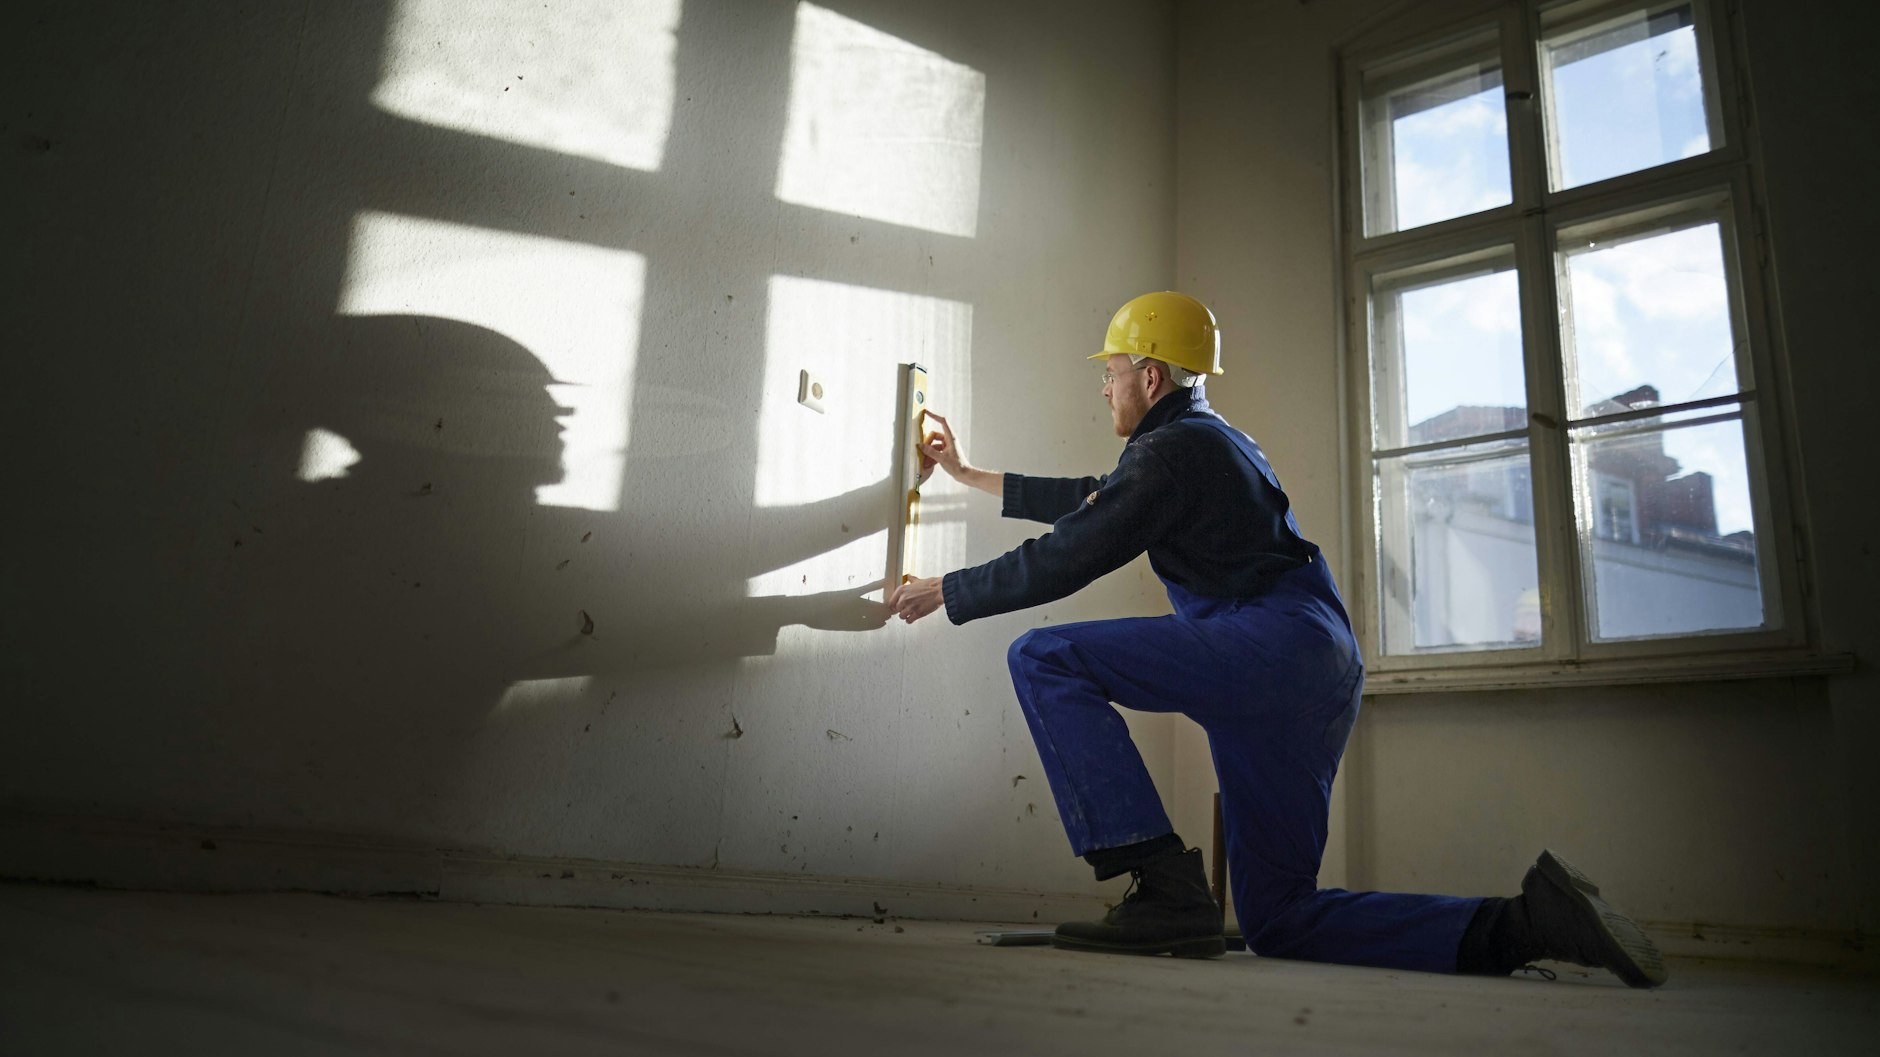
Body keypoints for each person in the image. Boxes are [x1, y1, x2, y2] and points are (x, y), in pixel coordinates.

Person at [886, 291, 1667, 987]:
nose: (1105, 386)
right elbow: (1098, 500)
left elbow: (1074, 550)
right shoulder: (1205, 442)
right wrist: (969, 473)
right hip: (1315, 663)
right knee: (1280, 917)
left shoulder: (1171, 450)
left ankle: (1162, 884)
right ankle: (1527, 924)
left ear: (1151, 376)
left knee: (1045, 656)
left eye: (1112, 371)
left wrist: (947, 590)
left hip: (1267, 640)